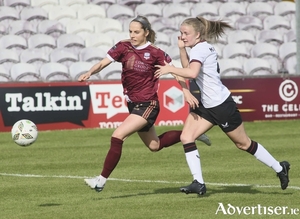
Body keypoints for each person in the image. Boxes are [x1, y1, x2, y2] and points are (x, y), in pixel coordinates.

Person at [154, 16, 290, 195]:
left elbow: (192, 73)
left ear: (198, 34)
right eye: (181, 33)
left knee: (243, 144)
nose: (182, 36)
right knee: (187, 136)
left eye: (186, 33)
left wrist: (170, 68)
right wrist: (181, 50)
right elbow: (188, 70)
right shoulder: (197, 48)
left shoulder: (201, 49)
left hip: (221, 105)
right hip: (207, 106)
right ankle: (199, 183)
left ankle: (280, 168)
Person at [78, 15, 211, 193]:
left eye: (137, 32)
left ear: (146, 33)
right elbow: (103, 62)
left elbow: (176, 73)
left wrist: (186, 92)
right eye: (130, 31)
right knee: (154, 145)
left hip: (148, 104)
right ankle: (190, 134)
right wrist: (90, 72)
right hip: (133, 104)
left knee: (118, 136)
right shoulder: (122, 46)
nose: (132, 35)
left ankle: (100, 181)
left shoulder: (156, 53)